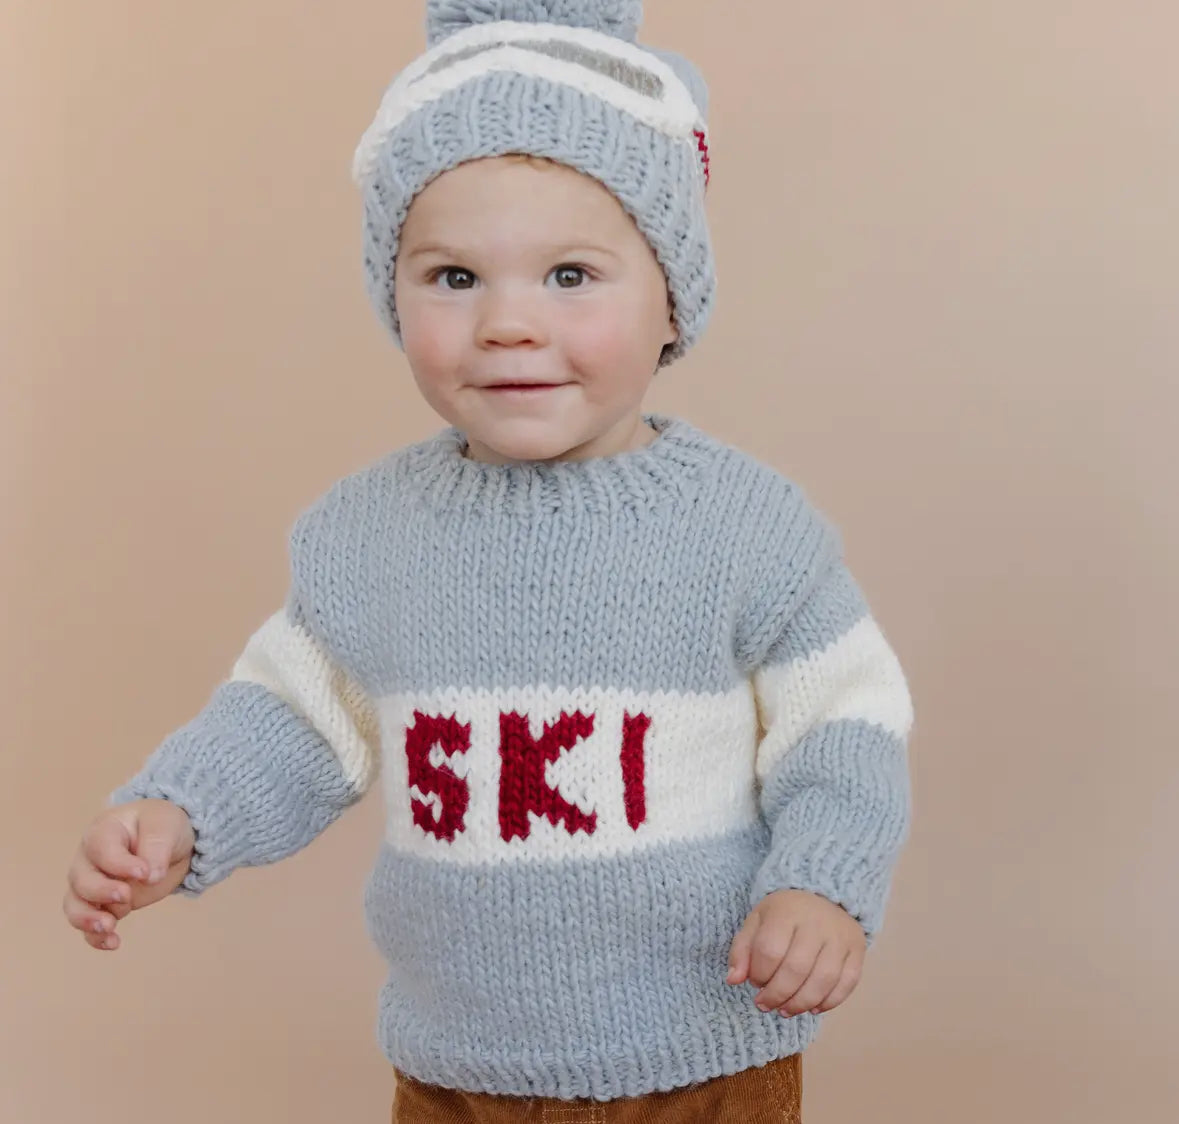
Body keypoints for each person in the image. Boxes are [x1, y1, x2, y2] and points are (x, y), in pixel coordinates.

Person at [62, 2, 915, 1120]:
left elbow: (844, 725)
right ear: (395, 292)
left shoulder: (744, 527)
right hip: (457, 1065)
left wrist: (821, 880)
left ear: (671, 297)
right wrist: (182, 813)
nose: (509, 323)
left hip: (706, 1051)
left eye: (571, 275)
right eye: (454, 278)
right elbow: (291, 718)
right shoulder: (369, 534)